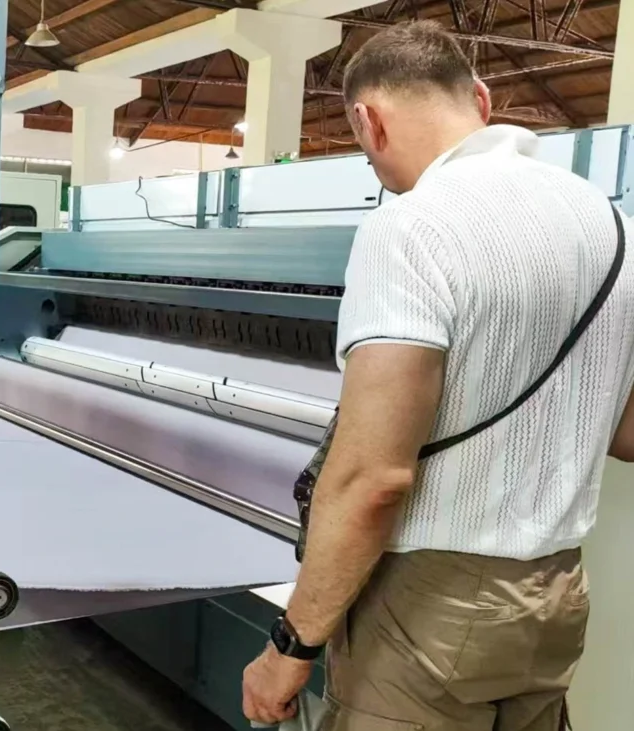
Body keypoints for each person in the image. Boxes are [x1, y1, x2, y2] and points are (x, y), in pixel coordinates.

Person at [241, 21, 634, 731]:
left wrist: (289, 648)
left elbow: (373, 479)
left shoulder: (411, 227)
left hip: (429, 609)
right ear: (480, 100)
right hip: (556, 596)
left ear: (367, 119)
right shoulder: (613, 226)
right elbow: (629, 429)